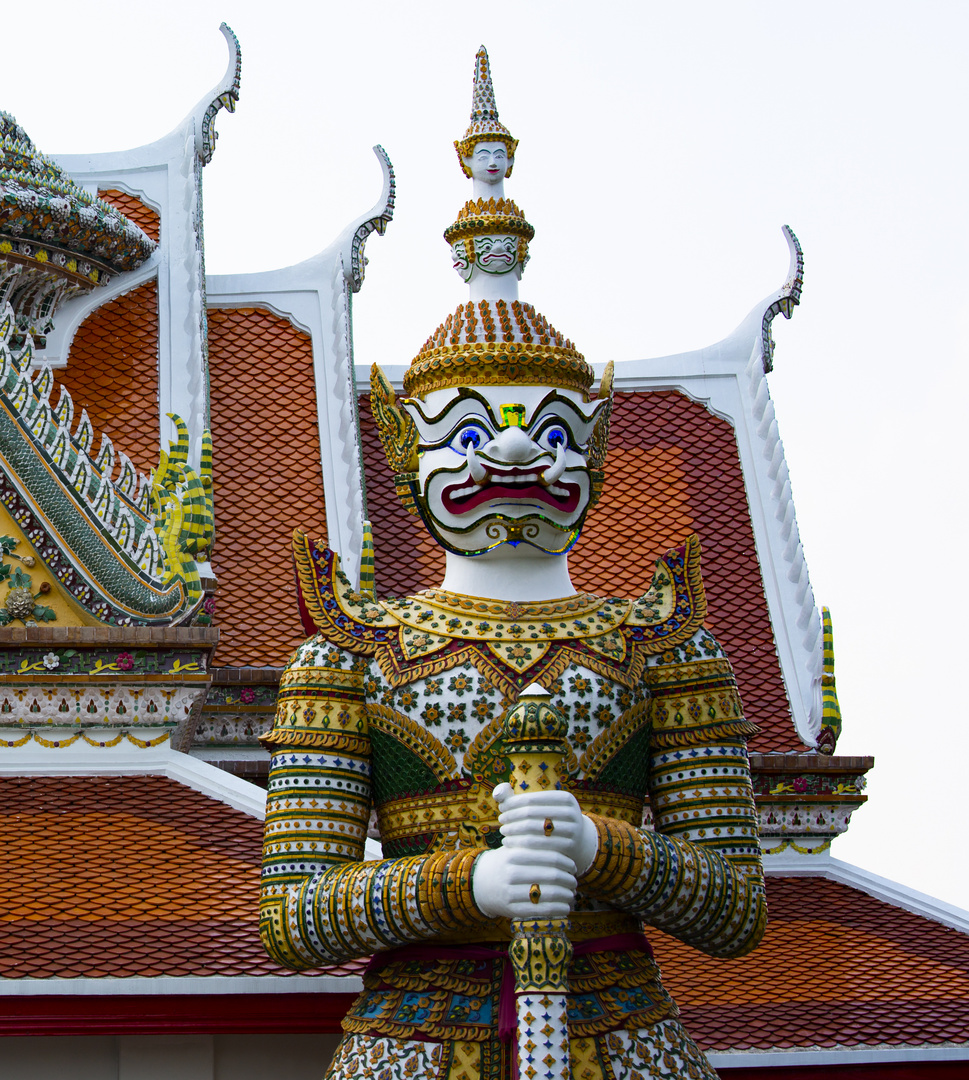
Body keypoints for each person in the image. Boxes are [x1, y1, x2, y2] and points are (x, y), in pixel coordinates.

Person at [259, 48, 765, 1080]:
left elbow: (736, 911)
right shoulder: (352, 656)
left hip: (620, 1034)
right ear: (406, 452)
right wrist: (470, 885)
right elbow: (294, 915)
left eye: (550, 430)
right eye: (475, 431)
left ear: (597, 446)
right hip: (414, 1039)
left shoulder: (663, 644)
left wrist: (600, 853)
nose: (519, 453)